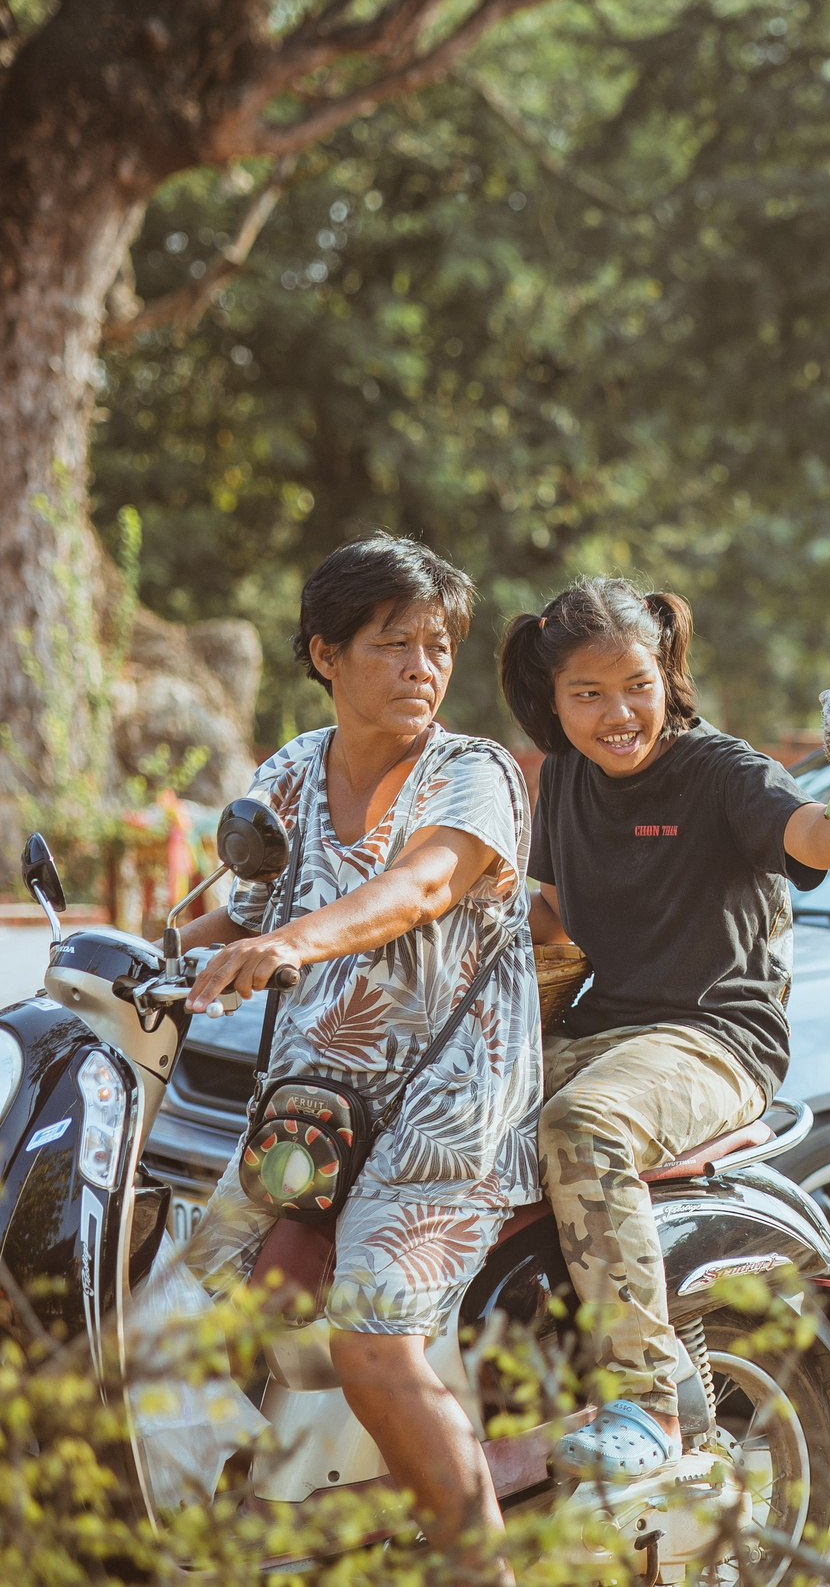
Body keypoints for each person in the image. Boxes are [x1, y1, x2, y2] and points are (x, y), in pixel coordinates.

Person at [175, 534, 539, 1560]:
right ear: (325, 654)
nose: (422, 666)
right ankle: (254, 1530)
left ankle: (480, 1569)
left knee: (370, 1343)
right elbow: (240, 908)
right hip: (315, 1114)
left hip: (442, 1119)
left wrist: (289, 941)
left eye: (436, 645)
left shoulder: (474, 776)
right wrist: (138, 956)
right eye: (392, 644)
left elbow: (420, 887)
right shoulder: (291, 769)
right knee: (190, 1315)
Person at [498, 579, 830, 1478]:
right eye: (587, 695)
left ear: (668, 673)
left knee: (582, 1125)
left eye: (635, 684)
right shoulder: (561, 779)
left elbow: (815, 838)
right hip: (604, 1030)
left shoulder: (722, 772)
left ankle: (645, 1404)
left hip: (716, 1038)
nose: (617, 713)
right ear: (554, 702)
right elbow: (554, 915)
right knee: (440, 1109)